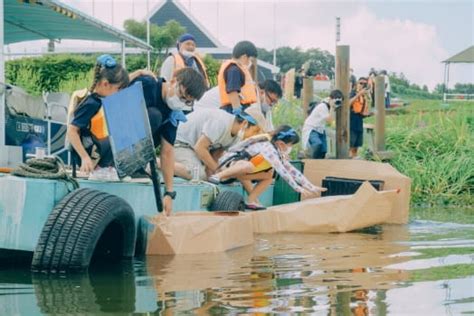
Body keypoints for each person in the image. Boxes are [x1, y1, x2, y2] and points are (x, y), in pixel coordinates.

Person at [131, 68, 207, 215]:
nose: (182, 102)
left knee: (160, 120)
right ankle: (129, 162)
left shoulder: (172, 113)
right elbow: (115, 95)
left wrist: (169, 192)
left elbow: (167, 152)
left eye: (187, 101)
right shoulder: (147, 85)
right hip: (111, 139)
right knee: (154, 116)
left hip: (136, 148)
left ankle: (137, 165)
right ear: (173, 81)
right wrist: (136, 73)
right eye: (182, 96)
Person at [210, 125, 326, 210]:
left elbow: (292, 171)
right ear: (281, 143)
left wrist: (311, 187)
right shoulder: (268, 149)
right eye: (290, 145)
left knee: (269, 176)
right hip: (229, 166)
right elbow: (283, 172)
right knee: (249, 166)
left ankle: (251, 201)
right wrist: (298, 188)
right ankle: (217, 176)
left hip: (240, 172)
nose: (290, 148)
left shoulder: (277, 152)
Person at [68, 54, 129, 175]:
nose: (120, 93)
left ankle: (108, 166)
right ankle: (101, 168)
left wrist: (139, 73)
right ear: (106, 84)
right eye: (119, 89)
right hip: (89, 155)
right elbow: (72, 131)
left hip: (96, 148)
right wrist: (84, 157)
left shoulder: (99, 98)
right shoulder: (91, 104)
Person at [173, 107, 257, 181]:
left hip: (195, 147)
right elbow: (200, 148)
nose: (254, 136)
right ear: (245, 123)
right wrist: (218, 171)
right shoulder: (221, 122)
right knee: (199, 174)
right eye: (255, 131)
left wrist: (214, 174)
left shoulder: (236, 136)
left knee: (208, 175)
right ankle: (161, 163)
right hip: (180, 142)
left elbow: (215, 155)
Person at [217, 40, 258, 113]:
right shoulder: (234, 70)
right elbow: (232, 91)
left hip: (238, 107)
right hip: (233, 109)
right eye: (250, 60)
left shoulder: (236, 68)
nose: (250, 63)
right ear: (245, 57)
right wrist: (237, 110)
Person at [302, 89, 343, 159]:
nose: (337, 102)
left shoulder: (330, 107)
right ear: (330, 98)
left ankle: (319, 165)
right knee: (317, 144)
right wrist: (332, 107)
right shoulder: (323, 106)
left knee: (323, 150)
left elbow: (330, 121)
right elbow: (329, 121)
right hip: (311, 128)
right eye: (336, 100)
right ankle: (310, 160)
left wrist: (334, 107)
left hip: (320, 129)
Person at [349, 77, 371, 158]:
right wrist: (359, 94)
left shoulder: (364, 96)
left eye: (364, 84)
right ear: (357, 84)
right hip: (351, 122)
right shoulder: (353, 93)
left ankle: (354, 161)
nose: (362, 85)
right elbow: (348, 104)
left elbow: (363, 111)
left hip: (359, 122)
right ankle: (348, 161)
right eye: (361, 83)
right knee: (350, 145)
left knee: (356, 146)